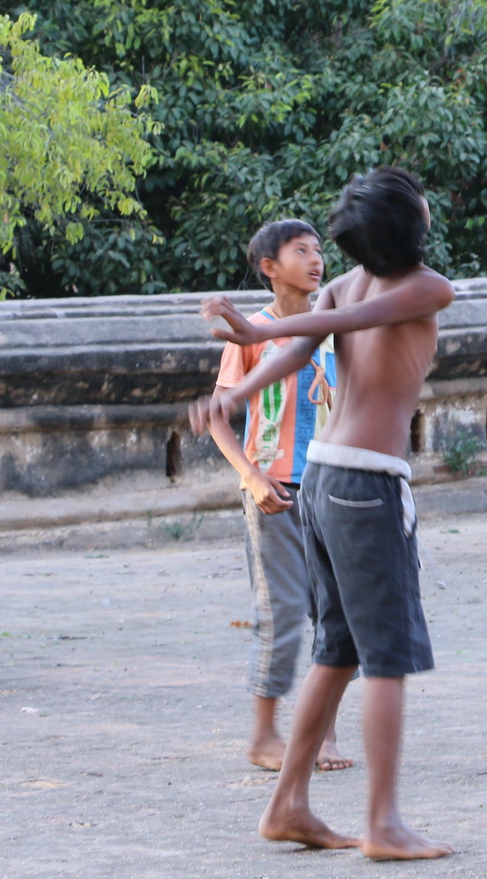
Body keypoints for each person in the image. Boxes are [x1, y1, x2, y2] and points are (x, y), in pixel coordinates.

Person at [192, 167, 456, 861]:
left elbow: (324, 329)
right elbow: (310, 340)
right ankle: (384, 822)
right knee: (385, 658)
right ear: (413, 222)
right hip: (366, 484)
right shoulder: (427, 286)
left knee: (336, 650)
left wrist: (253, 343)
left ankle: (288, 803)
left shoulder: (349, 288)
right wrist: (240, 377)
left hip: (324, 483)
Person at [196, 218, 350, 775]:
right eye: (300, 251)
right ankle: (264, 735)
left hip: (333, 488)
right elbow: (218, 417)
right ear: (269, 267)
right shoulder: (252, 332)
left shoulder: (335, 327)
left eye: (318, 250)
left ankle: (325, 738)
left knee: (336, 616)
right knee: (282, 614)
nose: (316, 260)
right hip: (274, 491)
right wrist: (252, 477)